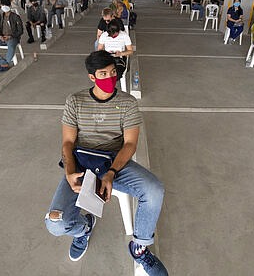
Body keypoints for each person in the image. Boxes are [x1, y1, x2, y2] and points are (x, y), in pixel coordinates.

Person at [45, 50, 168, 276]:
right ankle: (84, 229)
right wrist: (71, 172)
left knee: (154, 189)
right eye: (103, 74)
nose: (111, 78)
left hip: (114, 160)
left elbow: (130, 144)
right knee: (55, 223)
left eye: (113, 72)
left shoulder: (127, 103)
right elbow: (67, 143)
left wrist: (111, 172)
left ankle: (140, 247)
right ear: (92, 77)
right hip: (82, 162)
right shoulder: (75, 101)